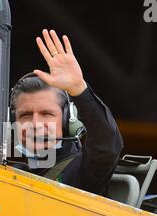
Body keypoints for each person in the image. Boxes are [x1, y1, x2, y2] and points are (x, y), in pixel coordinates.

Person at [10, 29, 124, 196]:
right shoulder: (8, 173)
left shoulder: (82, 169)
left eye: (47, 114)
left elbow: (107, 145)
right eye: (25, 115)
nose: (35, 124)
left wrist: (78, 89)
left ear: (68, 120)